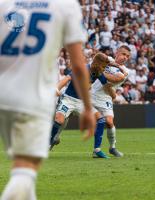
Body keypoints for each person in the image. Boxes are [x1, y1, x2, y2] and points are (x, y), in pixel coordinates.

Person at [0, 0, 96, 199]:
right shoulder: (65, 6)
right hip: (32, 98)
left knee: (24, 172)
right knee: (24, 171)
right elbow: (78, 66)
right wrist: (87, 108)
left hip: (3, 94)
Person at [91, 45, 131, 158]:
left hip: (105, 97)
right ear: (117, 52)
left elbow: (114, 79)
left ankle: (112, 147)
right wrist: (100, 64)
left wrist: (100, 71)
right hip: (91, 94)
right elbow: (96, 59)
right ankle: (55, 137)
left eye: (128, 56)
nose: (125, 57)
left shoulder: (126, 71)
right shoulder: (108, 60)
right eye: (123, 54)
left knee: (109, 122)